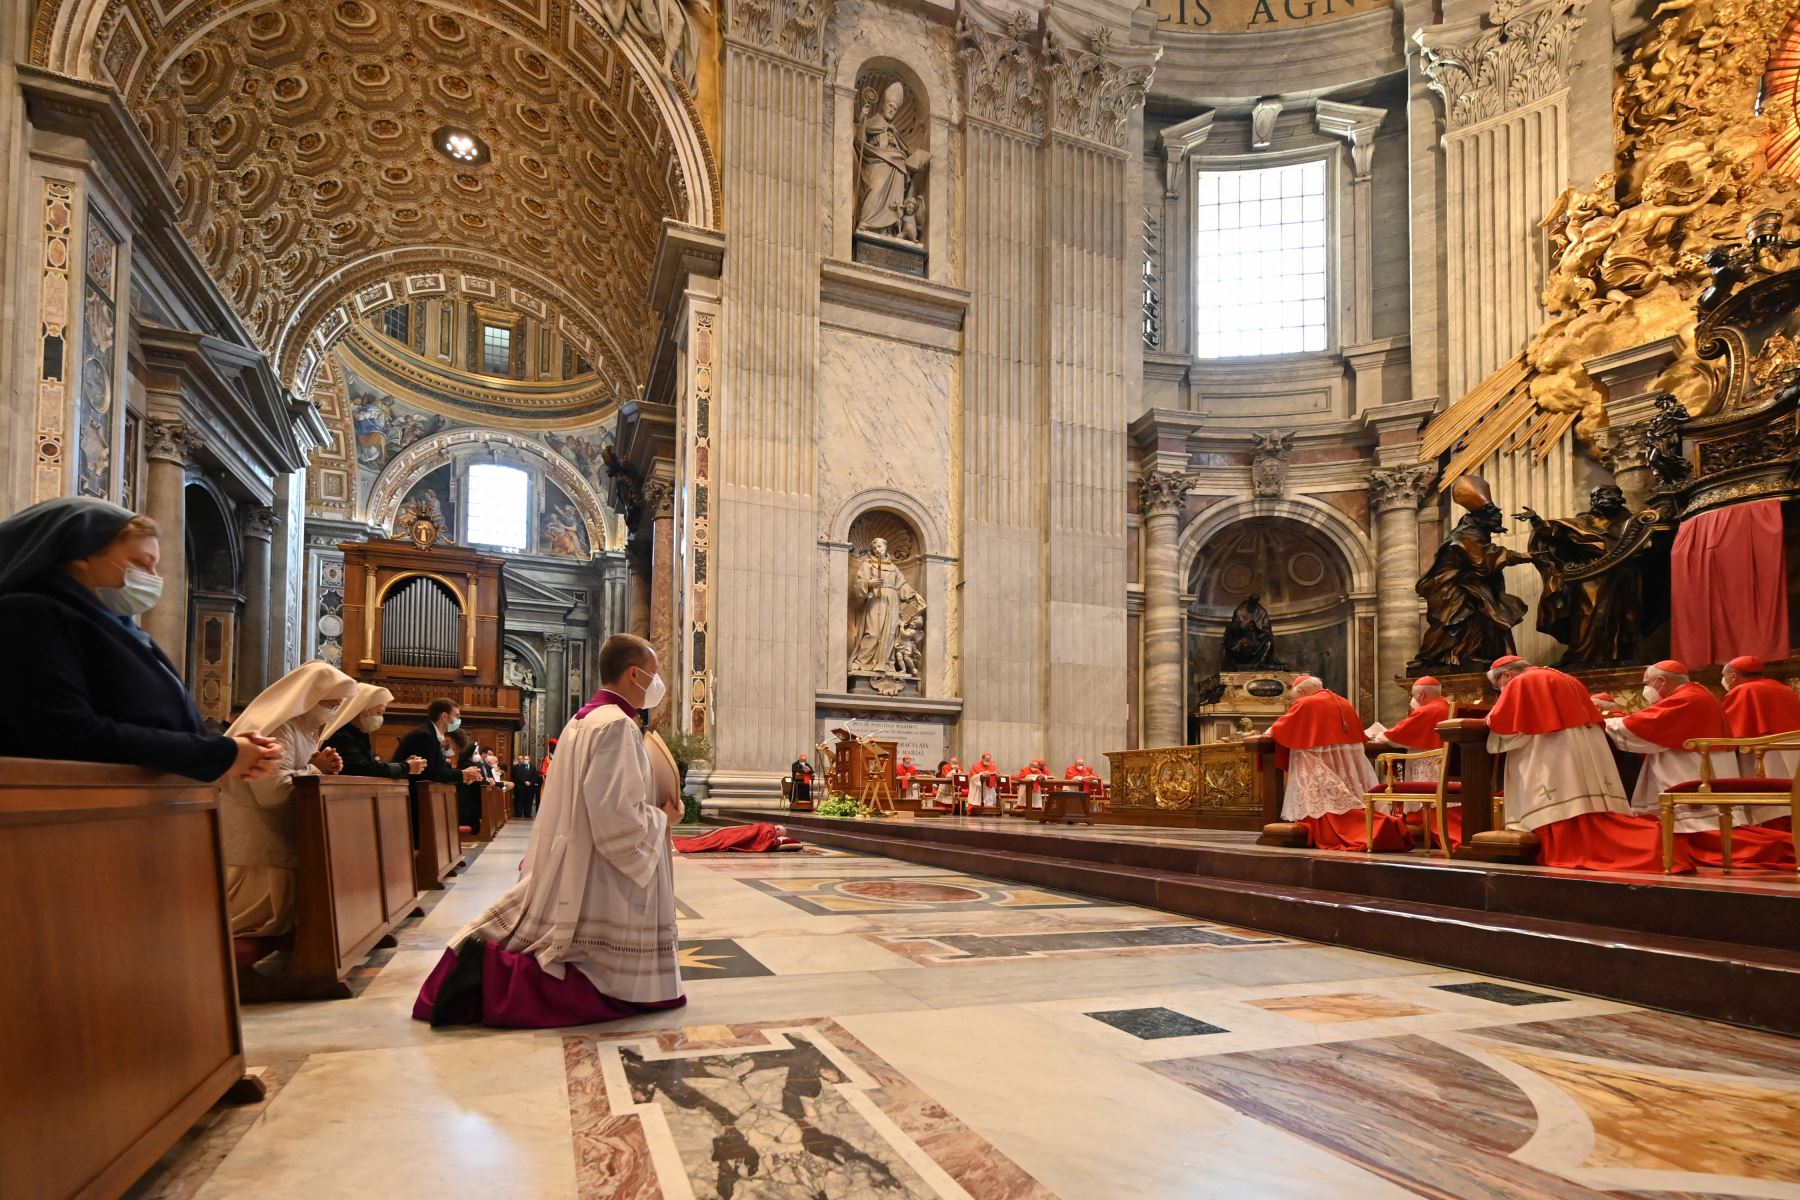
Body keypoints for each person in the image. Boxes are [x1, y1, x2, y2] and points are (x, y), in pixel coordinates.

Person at [413, 633, 686, 1028]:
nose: (658, 685)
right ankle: (485, 977)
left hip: (579, 848)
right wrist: (663, 818)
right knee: (591, 968)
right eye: (654, 675)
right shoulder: (617, 726)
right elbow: (616, 814)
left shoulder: (584, 720)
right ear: (633, 674)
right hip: (600, 864)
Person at [0, 497, 280, 782]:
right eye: (140, 563)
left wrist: (224, 747)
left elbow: (151, 721)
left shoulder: (120, 627)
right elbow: (68, 733)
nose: (153, 578)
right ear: (82, 555)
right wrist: (218, 753)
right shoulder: (28, 613)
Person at [1486, 656, 1674, 871]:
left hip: (1553, 751)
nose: (1500, 690)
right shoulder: (1565, 677)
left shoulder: (1523, 682)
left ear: (1507, 674)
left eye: (1498, 684)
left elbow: (1501, 723)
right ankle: (1658, 842)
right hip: (1578, 751)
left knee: (1565, 809)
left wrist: (1489, 719)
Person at [220, 661, 358, 953]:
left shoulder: (303, 728)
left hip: (277, 833)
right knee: (251, 919)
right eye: (330, 704)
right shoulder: (277, 726)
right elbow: (271, 792)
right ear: (308, 696)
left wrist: (321, 766)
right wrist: (315, 769)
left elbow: (299, 772)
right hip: (256, 837)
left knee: (278, 913)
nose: (333, 711)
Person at [1269, 675, 1400, 851]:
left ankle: (1373, 829)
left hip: (1316, 761)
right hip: (1344, 765)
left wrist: (1267, 732)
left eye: (1295, 698)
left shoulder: (1306, 703)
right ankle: (1382, 826)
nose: (1296, 702)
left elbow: (1280, 728)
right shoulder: (1343, 702)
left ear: (1301, 692)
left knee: (1328, 808)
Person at [1721, 656, 1800, 795]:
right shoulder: (1783, 688)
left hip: (1762, 753)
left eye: (1724, 676)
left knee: (1768, 796)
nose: (1723, 680)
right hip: (1793, 747)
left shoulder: (1742, 691)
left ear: (1733, 677)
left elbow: (1727, 731)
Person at [322, 683, 425, 779]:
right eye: (378, 713)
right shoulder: (342, 735)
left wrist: (404, 765)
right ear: (362, 708)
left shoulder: (360, 733)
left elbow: (371, 767)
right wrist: (405, 767)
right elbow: (363, 770)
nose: (380, 718)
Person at [391, 697, 482, 787]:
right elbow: (430, 773)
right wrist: (462, 773)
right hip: (412, 792)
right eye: (456, 716)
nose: (458, 720)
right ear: (444, 716)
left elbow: (439, 770)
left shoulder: (434, 735)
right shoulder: (425, 735)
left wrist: (465, 775)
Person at [510, 751, 542, 818]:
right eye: (524, 759)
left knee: (529, 802)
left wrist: (530, 782)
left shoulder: (533, 768)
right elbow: (519, 776)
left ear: (529, 760)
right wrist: (525, 781)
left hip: (530, 788)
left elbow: (535, 776)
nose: (525, 760)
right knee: (520, 802)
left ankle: (528, 814)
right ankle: (519, 814)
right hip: (521, 787)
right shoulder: (520, 767)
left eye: (527, 759)